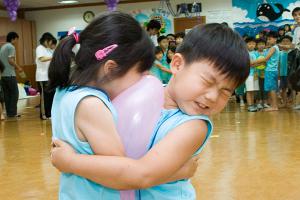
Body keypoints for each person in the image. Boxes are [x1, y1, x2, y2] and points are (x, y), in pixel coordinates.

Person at [51, 23, 250, 200]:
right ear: (177, 64)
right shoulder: (135, 92)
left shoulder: (194, 126)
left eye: (226, 91)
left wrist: (71, 162)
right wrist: (177, 172)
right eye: (207, 81)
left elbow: (143, 174)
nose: (213, 97)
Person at [48, 12, 195, 200]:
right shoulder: (92, 105)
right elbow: (121, 176)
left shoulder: (64, 92)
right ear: (111, 69)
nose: (145, 79)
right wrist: (179, 172)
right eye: (140, 72)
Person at [253, 31, 280, 111]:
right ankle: (273, 105)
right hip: (272, 70)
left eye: (269, 39)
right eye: (267, 39)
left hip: (270, 71)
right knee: (272, 88)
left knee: (272, 89)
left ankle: (274, 106)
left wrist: (252, 62)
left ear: (275, 39)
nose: (268, 41)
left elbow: (266, 59)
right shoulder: (274, 47)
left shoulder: (273, 48)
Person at [0, 32, 23, 118]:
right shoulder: (11, 47)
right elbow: (10, 60)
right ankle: (12, 113)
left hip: (2, 75)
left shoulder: (2, 47)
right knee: (14, 93)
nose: (17, 41)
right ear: (13, 39)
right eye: (17, 39)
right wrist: (18, 67)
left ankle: (9, 112)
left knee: (7, 94)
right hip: (10, 74)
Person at [36, 32, 55, 120]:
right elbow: (42, 59)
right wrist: (54, 57)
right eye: (50, 41)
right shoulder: (40, 48)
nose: (51, 43)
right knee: (44, 97)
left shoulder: (48, 49)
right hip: (42, 77)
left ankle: (49, 114)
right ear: (46, 40)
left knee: (50, 96)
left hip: (49, 76)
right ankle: (44, 114)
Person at [245, 37, 260, 112]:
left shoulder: (256, 53)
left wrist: (256, 63)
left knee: (253, 90)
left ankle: (253, 104)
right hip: (249, 74)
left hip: (255, 74)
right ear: (246, 44)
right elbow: (250, 64)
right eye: (249, 44)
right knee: (249, 90)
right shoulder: (245, 53)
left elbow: (256, 63)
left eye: (253, 44)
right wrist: (258, 62)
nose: (251, 45)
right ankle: (250, 105)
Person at [279, 36, 293, 108]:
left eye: (287, 41)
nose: (285, 42)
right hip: (282, 74)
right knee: (283, 89)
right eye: (283, 41)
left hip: (291, 74)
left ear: (290, 42)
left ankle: (293, 103)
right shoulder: (279, 53)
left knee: (292, 88)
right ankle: (284, 103)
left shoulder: (292, 51)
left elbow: (292, 46)